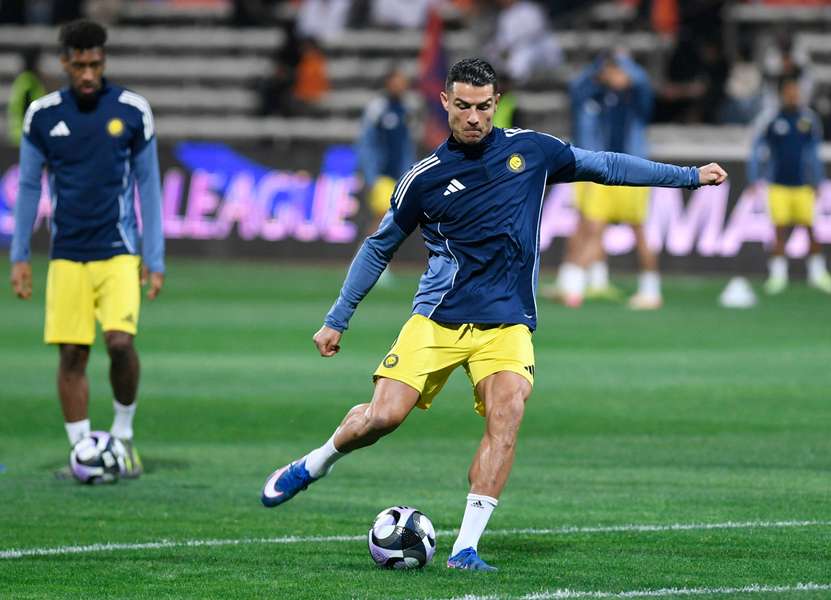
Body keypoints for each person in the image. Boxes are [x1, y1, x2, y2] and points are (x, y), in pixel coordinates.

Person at [260, 58, 727, 571]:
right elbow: (377, 248)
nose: (475, 117)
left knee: (508, 413)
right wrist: (337, 318)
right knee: (383, 417)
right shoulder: (424, 180)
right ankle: (316, 462)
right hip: (438, 319)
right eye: (463, 106)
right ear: (445, 102)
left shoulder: (533, 151)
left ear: (496, 102)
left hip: (506, 324)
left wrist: (687, 176)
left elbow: (608, 166)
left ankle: (466, 548)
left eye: (484, 107)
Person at [9, 19, 164, 478]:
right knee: (72, 355)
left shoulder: (132, 111)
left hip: (118, 250)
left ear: (104, 61)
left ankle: (123, 435)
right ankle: (82, 451)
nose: (89, 74)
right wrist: (20, 255)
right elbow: (28, 187)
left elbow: (149, 186)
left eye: (96, 64)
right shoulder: (42, 115)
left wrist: (153, 258)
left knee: (119, 343)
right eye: (80, 65)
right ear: (65, 63)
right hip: (66, 256)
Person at [551, 53, 661, 309]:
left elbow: (645, 84)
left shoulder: (636, 99)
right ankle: (574, 287)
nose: (615, 76)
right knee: (592, 227)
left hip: (633, 173)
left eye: (618, 71)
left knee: (638, 230)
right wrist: (598, 68)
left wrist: (627, 65)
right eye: (611, 71)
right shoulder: (600, 95)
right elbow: (576, 89)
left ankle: (651, 291)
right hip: (605, 174)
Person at [748, 74, 831, 296]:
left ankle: (818, 274)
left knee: (811, 229)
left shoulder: (808, 120)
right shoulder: (770, 119)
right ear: (781, 94)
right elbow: (757, 150)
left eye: (795, 92)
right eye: (789, 92)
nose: (793, 96)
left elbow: (814, 153)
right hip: (777, 184)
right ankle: (778, 276)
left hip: (803, 185)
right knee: (778, 230)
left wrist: (817, 180)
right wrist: (754, 178)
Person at [356, 67, 416, 284]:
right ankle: (371, 264)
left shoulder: (405, 109)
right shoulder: (378, 108)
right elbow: (367, 141)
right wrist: (370, 173)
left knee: (388, 221)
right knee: (382, 217)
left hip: (397, 175)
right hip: (381, 173)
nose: (402, 85)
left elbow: (406, 144)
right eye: (398, 81)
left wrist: (409, 173)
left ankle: (370, 263)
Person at [6, 47, 46, 147]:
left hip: (18, 134)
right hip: (25, 136)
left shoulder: (22, 79)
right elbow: (28, 109)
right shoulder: (29, 81)